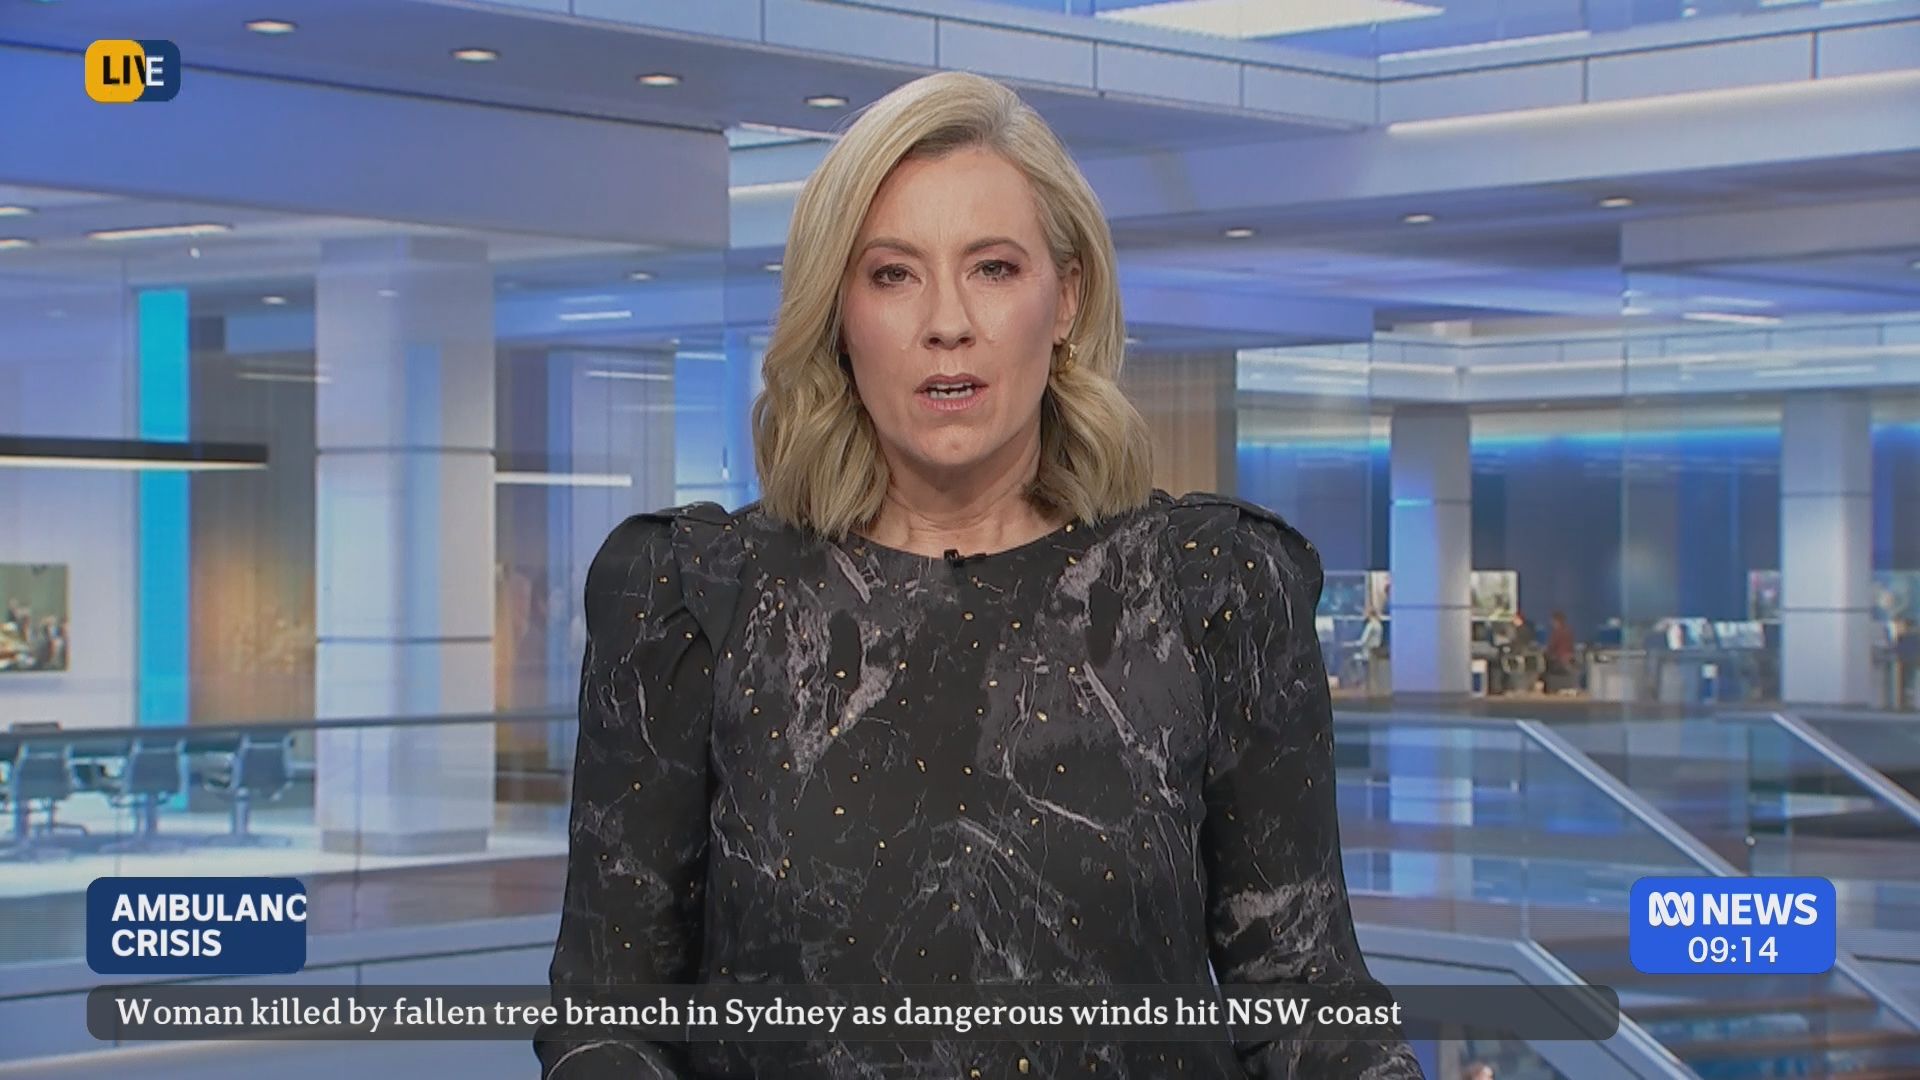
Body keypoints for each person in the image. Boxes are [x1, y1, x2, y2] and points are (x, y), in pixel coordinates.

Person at [535, 70, 1420, 1080]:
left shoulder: (1210, 590)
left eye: (993, 268)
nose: (946, 322)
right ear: (837, 312)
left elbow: (1305, 999)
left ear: (1067, 296)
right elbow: (607, 1016)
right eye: (892, 275)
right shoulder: (694, 598)